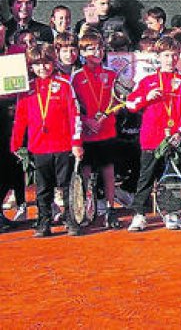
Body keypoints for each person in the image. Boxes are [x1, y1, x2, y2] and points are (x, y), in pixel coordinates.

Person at [9, 44, 83, 237]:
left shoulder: (65, 84)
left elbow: (75, 114)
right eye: (37, 64)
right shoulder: (27, 89)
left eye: (47, 63)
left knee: (66, 185)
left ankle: (71, 220)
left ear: (54, 62)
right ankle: (44, 221)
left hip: (63, 144)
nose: (43, 68)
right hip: (39, 146)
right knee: (42, 188)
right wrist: (16, 143)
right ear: (31, 66)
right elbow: (20, 118)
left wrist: (76, 142)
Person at [124, 37, 181, 232]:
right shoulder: (147, 81)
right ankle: (139, 215)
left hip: (174, 139)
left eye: (174, 55)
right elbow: (130, 104)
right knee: (145, 177)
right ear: (158, 57)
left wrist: (180, 132)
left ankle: (171, 213)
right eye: (166, 55)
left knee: (171, 177)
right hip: (150, 137)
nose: (170, 59)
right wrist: (146, 99)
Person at [72, 33, 122, 229]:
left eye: (100, 48)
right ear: (82, 52)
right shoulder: (76, 77)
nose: (97, 52)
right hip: (86, 133)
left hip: (107, 131)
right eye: (91, 48)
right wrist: (86, 121)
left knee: (108, 171)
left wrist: (108, 115)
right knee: (85, 172)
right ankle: (86, 209)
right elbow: (72, 107)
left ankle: (110, 210)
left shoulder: (111, 74)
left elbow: (120, 101)